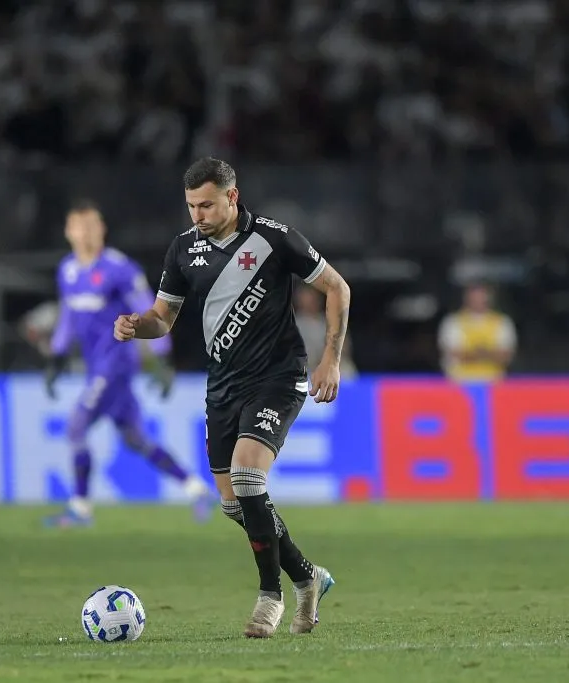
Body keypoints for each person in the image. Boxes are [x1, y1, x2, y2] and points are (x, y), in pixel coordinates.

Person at [113, 158, 352, 638]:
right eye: (191, 206)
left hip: (279, 378)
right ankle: (308, 576)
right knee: (234, 503)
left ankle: (271, 597)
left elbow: (336, 287)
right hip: (222, 385)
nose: (197, 215)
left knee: (247, 475)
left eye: (206, 205)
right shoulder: (183, 250)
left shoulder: (274, 238)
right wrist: (138, 326)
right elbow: (164, 317)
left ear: (232, 196)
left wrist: (331, 358)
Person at [43, 200, 215, 527]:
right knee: (136, 439)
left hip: (117, 363)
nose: (86, 233)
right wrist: (57, 355)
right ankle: (196, 489)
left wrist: (163, 357)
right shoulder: (67, 270)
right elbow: (68, 316)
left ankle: (80, 510)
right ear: (68, 232)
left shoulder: (119, 269)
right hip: (97, 366)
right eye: (80, 227)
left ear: (102, 229)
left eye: (92, 226)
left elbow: (149, 310)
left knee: (77, 427)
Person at [437, 282, 517, 382]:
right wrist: (488, 354)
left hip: (494, 382)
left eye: (482, 296)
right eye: (475, 296)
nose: (478, 300)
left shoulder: (502, 322)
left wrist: (472, 354)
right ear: (466, 298)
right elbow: (454, 354)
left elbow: (505, 355)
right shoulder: (452, 322)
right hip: (460, 383)